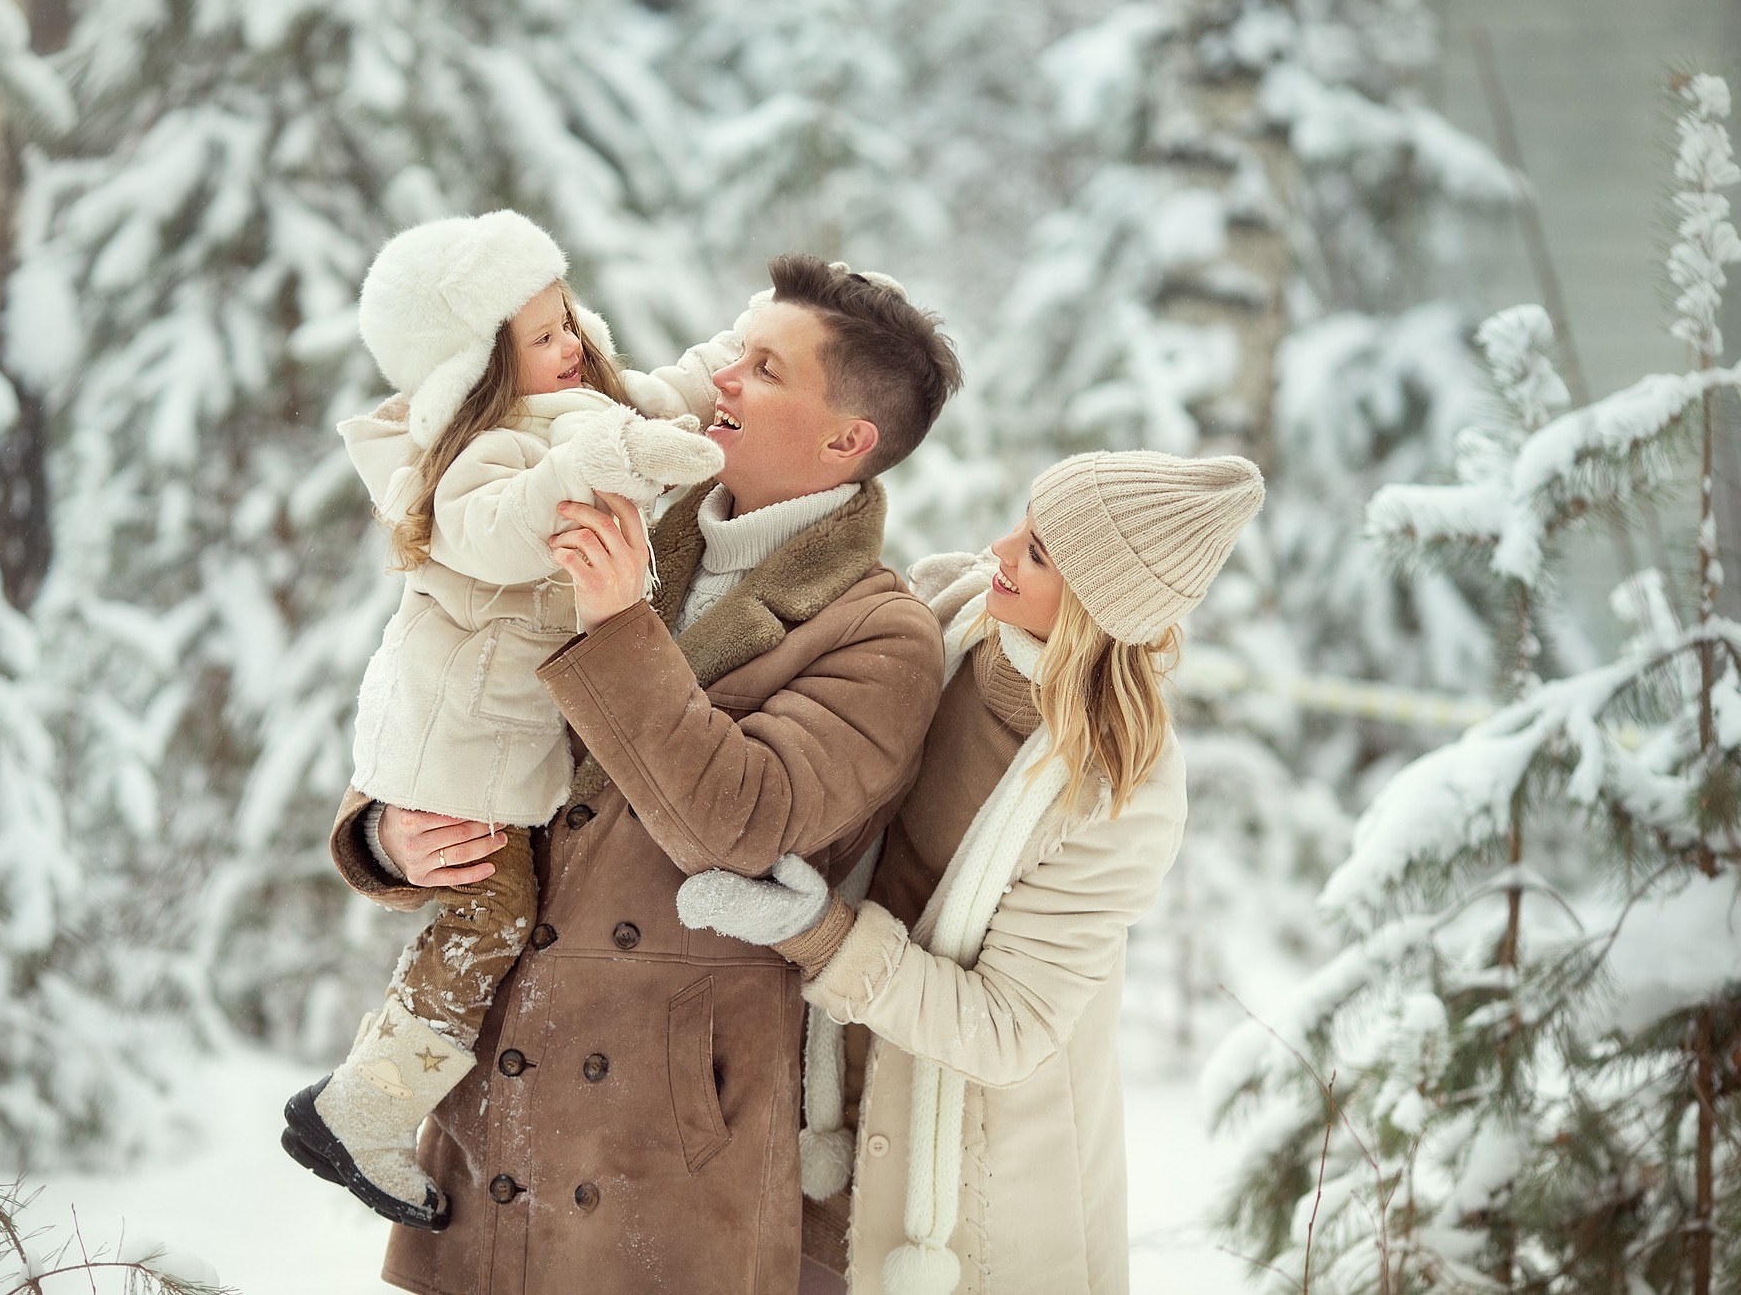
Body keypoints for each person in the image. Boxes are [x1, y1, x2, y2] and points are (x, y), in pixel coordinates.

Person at [326, 254, 966, 1292]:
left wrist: (620, 624)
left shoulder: (876, 633)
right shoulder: (620, 504)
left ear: (847, 439)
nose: (721, 375)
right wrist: (382, 832)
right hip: (496, 1104)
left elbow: (740, 821)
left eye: (762, 367)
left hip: (665, 1145)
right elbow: (452, 682)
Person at [679, 449, 1265, 1294]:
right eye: (1024, 525)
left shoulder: (1118, 790)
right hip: (821, 1098)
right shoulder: (948, 617)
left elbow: (1008, 1026)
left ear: (1101, 603)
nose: (999, 547)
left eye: (1038, 553)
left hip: (960, 1178)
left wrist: (819, 934)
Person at [281, 210, 736, 1229]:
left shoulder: (567, 412)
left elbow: (660, 396)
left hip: (494, 747)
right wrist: (604, 456)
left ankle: (368, 1099)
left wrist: (733, 353)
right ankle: (362, 1108)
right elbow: (497, 532)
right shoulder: (471, 459)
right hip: (466, 748)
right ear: (479, 370)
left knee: (489, 912)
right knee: (487, 914)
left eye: (566, 318)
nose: (571, 345)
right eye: (543, 337)